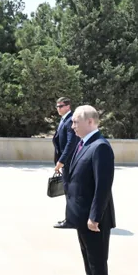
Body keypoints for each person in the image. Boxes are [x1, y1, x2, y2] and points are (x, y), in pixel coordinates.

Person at [66, 105, 115, 275]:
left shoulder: (101, 147)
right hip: (82, 217)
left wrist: (94, 217)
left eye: (76, 121)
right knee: (89, 263)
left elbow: (103, 186)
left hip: (94, 220)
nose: (72, 125)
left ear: (91, 122)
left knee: (97, 263)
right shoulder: (85, 143)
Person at [52, 97, 77, 229]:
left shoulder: (70, 120)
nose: (58, 109)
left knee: (70, 191)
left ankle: (71, 220)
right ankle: (71, 218)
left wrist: (61, 161)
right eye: (57, 106)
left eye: (60, 106)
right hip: (66, 162)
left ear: (68, 106)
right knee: (69, 191)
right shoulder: (64, 120)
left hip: (69, 162)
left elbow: (71, 143)